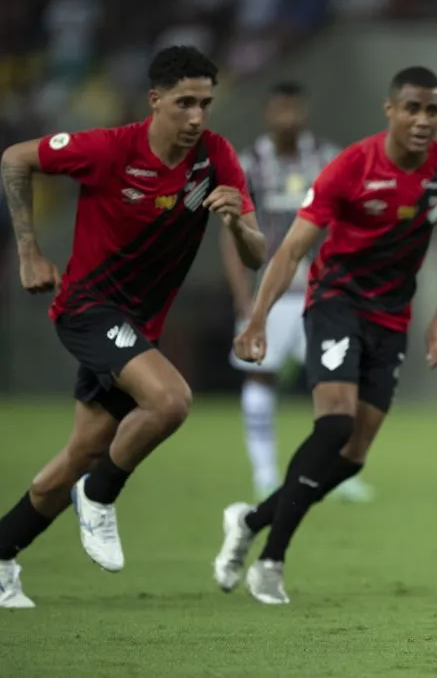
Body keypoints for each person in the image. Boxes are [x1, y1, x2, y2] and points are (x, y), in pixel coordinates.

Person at [0, 46, 265, 609]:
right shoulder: (109, 148)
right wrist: (28, 250)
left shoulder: (216, 158)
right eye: (184, 103)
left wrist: (236, 224)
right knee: (171, 401)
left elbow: (257, 248)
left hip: (138, 326)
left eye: (206, 104)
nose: (196, 116)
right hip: (87, 308)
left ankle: (1, 555)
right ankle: (99, 498)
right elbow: (14, 158)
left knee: (82, 452)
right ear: (155, 100)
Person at [213, 66, 437, 605]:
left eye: (432, 110)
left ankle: (251, 520)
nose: (423, 120)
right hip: (335, 302)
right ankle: (271, 559)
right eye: (412, 108)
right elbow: (290, 249)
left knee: (353, 456)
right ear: (390, 110)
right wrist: (258, 317)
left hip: (392, 318)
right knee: (333, 425)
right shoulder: (350, 167)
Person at [223, 81, 374, 503]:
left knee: (337, 381)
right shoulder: (248, 163)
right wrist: (243, 295)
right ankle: (265, 472)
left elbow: (353, 223)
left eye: (294, 109)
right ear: (268, 113)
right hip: (270, 292)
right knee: (260, 373)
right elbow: (232, 232)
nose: (287, 117)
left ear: (304, 111)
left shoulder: (328, 158)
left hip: (325, 290)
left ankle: (340, 472)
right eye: (280, 109)